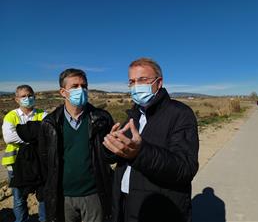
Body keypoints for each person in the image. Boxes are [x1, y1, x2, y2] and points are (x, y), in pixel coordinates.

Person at [103, 58, 199, 222]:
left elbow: (185, 168)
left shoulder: (180, 114)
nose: (136, 86)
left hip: (159, 212)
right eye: (132, 81)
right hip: (125, 205)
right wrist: (110, 147)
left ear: (159, 82)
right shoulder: (133, 115)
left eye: (142, 80)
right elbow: (123, 156)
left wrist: (140, 153)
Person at [39, 68, 114, 222]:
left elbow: (110, 156)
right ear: (62, 92)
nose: (81, 90)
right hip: (63, 196)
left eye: (84, 86)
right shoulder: (50, 124)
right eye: (75, 86)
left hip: (94, 194)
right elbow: (45, 160)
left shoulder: (101, 119)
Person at [1, 84, 47, 222]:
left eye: (30, 95)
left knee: (43, 196)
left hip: (39, 164)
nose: (27, 98)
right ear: (16, 99)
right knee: (19, 198)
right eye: (23, 96)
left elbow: (48, 134)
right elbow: (9, 137)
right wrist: (35, 137)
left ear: (34, 96)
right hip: (16, 164)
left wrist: (23, 133)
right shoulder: (11, 116)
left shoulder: (43, 114)